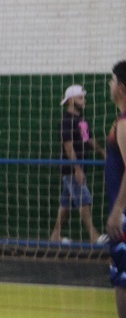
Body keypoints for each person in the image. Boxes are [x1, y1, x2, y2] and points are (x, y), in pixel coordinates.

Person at [50, 84, 106, 244]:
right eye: (80, 98)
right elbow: (68, 147)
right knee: (84, 199)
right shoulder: (66, 121)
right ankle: (94, 236)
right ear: (71, 101)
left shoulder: (82, 121)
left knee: (66, 205)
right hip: (71, 169)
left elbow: (88, 140)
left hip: (80, 167)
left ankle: (55, 236)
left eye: (83, 97)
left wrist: (102, 152)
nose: (84, 100)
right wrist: (77, 169)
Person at [106, 61, 126, 318]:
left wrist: (118, 209)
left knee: (122, 278)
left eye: (112, 82)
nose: (109, 86)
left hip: (123, 215)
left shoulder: (123, 123)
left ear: (121, 88)